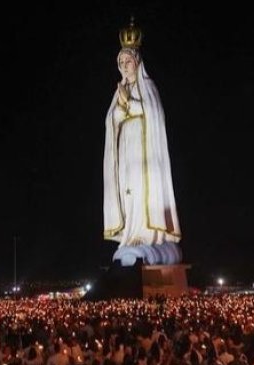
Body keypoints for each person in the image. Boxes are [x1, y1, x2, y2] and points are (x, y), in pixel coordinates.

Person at [102, 18, 182, 266]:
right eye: (122, 63)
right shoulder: (120, 91)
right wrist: (121, 107)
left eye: (129, 62)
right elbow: (111, 119)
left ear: (137, 63)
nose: (125, 67)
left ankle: (147, 235)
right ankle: (131, 236)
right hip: (126, 153)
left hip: (144, 154)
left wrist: (129, 104)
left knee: (142, 192)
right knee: (129, 194)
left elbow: (152, 113)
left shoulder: (148, 86)